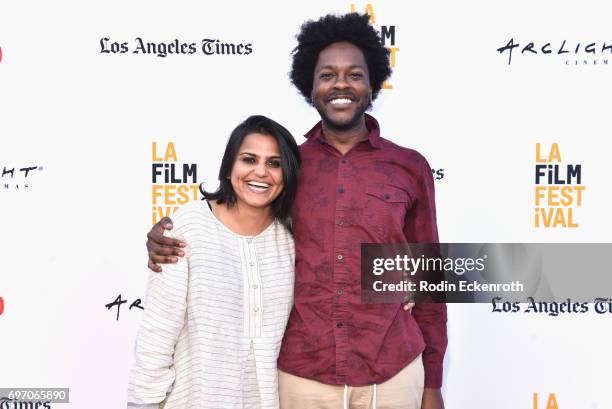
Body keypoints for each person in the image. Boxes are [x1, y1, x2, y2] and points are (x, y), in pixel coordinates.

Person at [146, 13, 447, 409]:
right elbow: (236, 221)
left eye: (354, 74)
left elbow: (430, 279)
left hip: (393, 371)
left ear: (373, 83)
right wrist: (169, 236)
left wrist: (432, 384)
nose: (341, 84)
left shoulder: (409, 166)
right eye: (327, 75)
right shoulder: (286, 166)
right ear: (310, 85)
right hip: (304, 375)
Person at [128, 115, 301, 409]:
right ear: (230, 165)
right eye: (249, 159)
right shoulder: (188, 227)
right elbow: (158, 330)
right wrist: (144, 402)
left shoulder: (292, 239)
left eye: (274, 163)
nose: (261, 172)